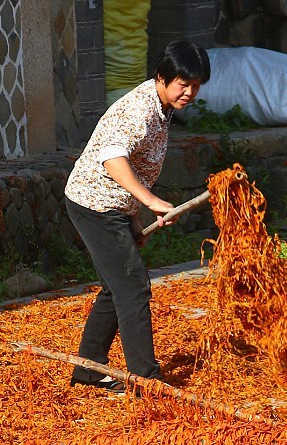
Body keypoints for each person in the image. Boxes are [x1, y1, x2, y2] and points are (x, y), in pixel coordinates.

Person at [64, 40, 210, 393]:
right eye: (182, 84)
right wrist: (151, 201)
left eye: (195, 85)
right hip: (95, 203)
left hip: (115, 205)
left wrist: (133, 218)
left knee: (116, 287)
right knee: (133, 287)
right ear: (162, 77)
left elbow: (135, 168)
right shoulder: (140, 109)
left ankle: (88, 370)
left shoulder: (162, 108)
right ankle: (147, 379)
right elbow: (113, 160)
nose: (189, 92)